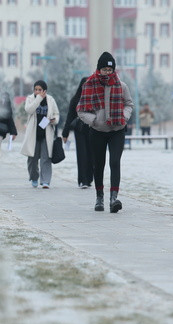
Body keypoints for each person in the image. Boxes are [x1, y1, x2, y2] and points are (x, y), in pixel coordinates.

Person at [76, 52, 134, 212]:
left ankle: (113, 198)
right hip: (97, 131)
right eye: (104, 69)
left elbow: (129, 104)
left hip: (117, 130)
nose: (107, 72)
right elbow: (80, 110)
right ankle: (99, 197)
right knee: (98, 165)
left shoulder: (122, 86)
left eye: (110, 69)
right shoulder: (89, 85)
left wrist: (124, 116)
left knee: (115, 162)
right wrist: (94, 120)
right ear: (99, 69)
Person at [20, 80, 60, 189]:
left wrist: (54, 120)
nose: (37, 92)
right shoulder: (30, 99)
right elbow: (29, 109)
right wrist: (38, 99)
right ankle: (34, 177)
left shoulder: (50, 100)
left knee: (46, 158)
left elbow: (56, 113)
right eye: (36, 89)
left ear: (44, 91)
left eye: (40, 90)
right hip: (33, 133)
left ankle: (45, 181)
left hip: (46, 133)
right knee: (32, 158)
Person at [62, 77, 93, 189]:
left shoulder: (94, 99)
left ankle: (89, 179)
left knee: (91, 155)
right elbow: (69, 117)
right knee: (82, 155)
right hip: (79, 130)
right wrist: (65, 133)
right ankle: (83, 180)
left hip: (92, 130)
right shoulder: (75, 99)